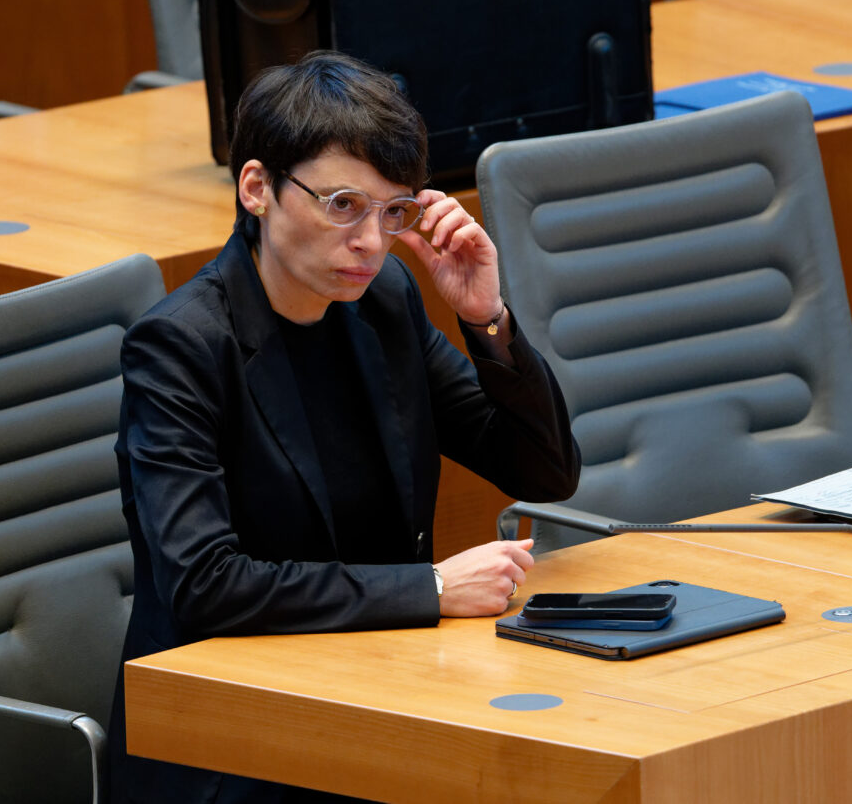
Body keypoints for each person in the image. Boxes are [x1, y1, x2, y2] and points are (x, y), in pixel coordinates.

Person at [106, 50, 581, 804]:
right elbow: (206, 585)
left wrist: (485, 319)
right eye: (343, 206)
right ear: (257, 188)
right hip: (226, 736)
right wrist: (428, 587)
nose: (371, 240)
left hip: (378, 683)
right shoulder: (183, 347)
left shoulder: (383, 298)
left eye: (395, 212)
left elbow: (543, 474)